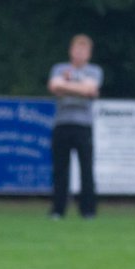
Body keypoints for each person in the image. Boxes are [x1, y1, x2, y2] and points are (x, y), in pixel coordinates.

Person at [47, 34, 102, 219]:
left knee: (86, 168)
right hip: (62, 124)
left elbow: (90, 89)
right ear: (71, 51)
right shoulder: (59, 68)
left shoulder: (94, 71)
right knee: (60, 169)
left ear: (89, 54)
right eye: (77, 49)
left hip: (83, 126)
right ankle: (58, 210)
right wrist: (81, 88)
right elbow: (54, 86)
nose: (79, 53)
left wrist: (67, 86)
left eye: (83, 50)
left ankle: (88, 210)